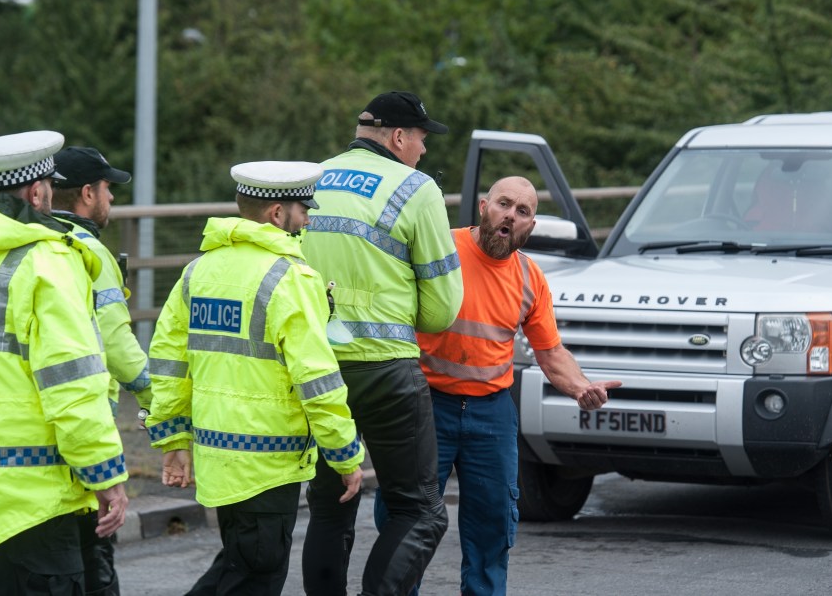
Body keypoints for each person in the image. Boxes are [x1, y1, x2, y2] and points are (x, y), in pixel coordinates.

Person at [378, 176, 621, 595]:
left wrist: (580, 386)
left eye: (522, 211)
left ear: (530, 225)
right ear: (483, 207)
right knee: (408, 521)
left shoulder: (530, 277)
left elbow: (550, 351)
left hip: (491, 413)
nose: (511, 215)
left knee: (492, 526)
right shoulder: (441, 249)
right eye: (504, 204)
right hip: (426, 403)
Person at [145, 160, 365, 595]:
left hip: (216, 457)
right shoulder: (291, 278)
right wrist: (345, 454)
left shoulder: (197, 272)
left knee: (239, 565)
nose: (307, 219)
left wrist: (173, 439)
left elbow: (168, 362)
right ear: (277, 213)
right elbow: (317, 380)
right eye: (303, 209)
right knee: (253, 577)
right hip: (267, 462)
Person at [301, 91, 463, 596]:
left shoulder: (310, 180)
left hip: (318, 370)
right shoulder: (416, 188)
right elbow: (441, 311)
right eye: (420, 138)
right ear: (397, 136)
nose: (424, 150)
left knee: (330, 506)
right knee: (421, 510)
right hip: (386, 371)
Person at [0, 131, 129, 595]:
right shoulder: (47, 264)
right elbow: (73, 386)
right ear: (38, 192)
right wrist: (106, 477)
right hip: (30, 509)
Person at [51, 145, 151, 596]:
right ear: (88, 193)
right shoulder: (89, 251)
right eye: (109, 189)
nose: (112, 199)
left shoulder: (29, 243)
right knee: (95, 557)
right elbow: (116, 346)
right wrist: (159, 400)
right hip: (84, 420)